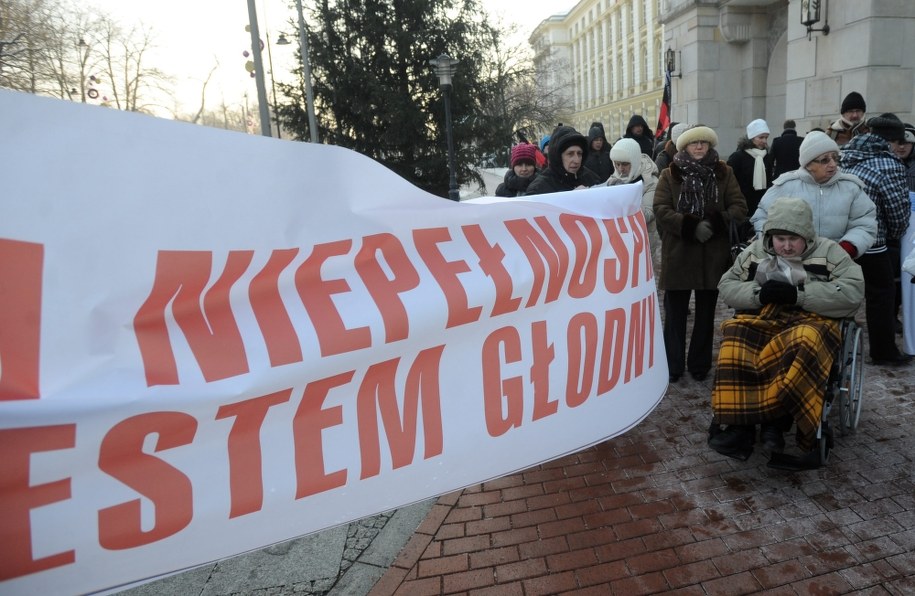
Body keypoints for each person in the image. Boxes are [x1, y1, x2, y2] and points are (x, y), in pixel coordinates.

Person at [708, 197, 865, 466]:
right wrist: (758, 294)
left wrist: (799, 295)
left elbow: (852, 292)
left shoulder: (830, 252)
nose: (787, 246)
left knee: (803, 340)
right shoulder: (756, 252)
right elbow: (727, 284)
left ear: (807, 235)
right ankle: (740, 426)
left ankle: (777, 421)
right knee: (734, 335)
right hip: (766, 317)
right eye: (780, 239)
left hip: (812, 319)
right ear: (770, 235)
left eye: (794, 239)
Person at [653, 125, 748, 383]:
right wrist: (690, 226)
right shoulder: (669, 173)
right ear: (684, 146)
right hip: (680, 254)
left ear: (710, 146)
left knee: (706, 315)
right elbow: (660, 208)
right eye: (694, 143)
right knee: (674, 315)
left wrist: (716, 223)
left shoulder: (723, 172)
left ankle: (699, 364)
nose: (698, 147)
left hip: (711, 256)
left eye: (703, 143)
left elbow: (739, 207)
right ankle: (672, 365)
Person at [841, 113, 913, 365]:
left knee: (842, 294)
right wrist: (897, 233)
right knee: (881, 294)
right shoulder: (888, 165)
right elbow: (896, 212)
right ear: (891, 141)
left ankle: (839, 347)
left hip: (841, 242)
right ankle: (883, 351)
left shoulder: (845, 156)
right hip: (873, 242)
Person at [752, 131, 877, 260]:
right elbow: (762, 217)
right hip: (791, 264)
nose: (833, 164)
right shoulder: (785, 186)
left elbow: (865, 223)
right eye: (825, 160)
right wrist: (779, 245)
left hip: (839, 264)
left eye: (835, 158)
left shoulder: (851, 187)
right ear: (808, 165)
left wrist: (847, 248)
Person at [607, 138, 661, 275]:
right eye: (617, 164)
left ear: (634, 161)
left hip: (643, 242)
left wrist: (624, 196)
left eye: (625, 164)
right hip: (619, 241)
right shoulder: (614, 177)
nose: (620, 169)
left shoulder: (651, 182)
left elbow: (648, 214)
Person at [526, 125, 601, 195]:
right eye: (570, 154)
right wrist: (570, 198)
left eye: (579, 153)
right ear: (557, 156)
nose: (576, 160)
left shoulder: (591, 179)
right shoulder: (538, 189)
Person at [727, 118, 774, 219]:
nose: (764, 141)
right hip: (743, 206)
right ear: (751, 137)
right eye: (761, 137)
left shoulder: (767, 156)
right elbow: (730, 182)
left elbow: (770, 180)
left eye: (766, 137)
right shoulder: (737, 157)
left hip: (763, 205)